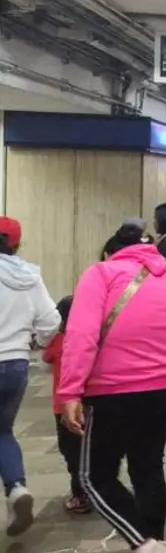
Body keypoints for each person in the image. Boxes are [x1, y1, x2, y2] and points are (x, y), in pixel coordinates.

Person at [60, 223, 166, 553]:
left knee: (94, 477)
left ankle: (146, 549)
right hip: (164, 389)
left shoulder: (101, 273)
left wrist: (70, 391)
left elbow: (81, 334)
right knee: (148, 467)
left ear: (112, 251)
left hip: (112, 391)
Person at [0, 216, 60, 536]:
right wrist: (38, 340)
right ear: (17, 243)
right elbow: (51, 322)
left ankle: (16, 489)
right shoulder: (30, 275)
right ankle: (16, 487)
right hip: (17, 365)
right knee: (3, 431)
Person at [42, 295, 91, 514]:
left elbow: (46, 357)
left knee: (71, 451)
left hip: (63, 406)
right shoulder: (90, 338)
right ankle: (93, 489)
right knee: (89, 449)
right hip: (89, 402)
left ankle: (80, 495)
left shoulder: (58, 340)